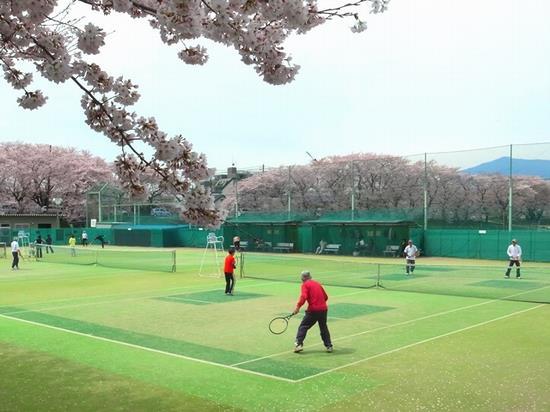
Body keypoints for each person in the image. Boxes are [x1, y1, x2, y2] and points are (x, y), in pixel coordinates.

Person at [292, 271, 333, 353]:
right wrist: (320, 303)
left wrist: (297, 307)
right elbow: (326, 297)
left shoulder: (305, 285)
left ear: (303, 278)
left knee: (303, 326)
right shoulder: (317, 284)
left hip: (313, 310)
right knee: (323, 327)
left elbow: (303, 296)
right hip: (323, 309)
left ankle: (298, 345)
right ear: (310, 276)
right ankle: (329, 346)